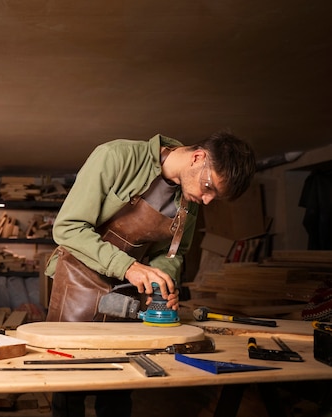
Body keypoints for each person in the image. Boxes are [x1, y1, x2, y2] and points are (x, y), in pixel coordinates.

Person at [44, 131, 257, 417]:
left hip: (130, 286)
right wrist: (128, 267)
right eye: (208, 187)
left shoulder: (190, 197)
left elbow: (174, 252)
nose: (206, 200)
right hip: (78, 279)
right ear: (197, 157)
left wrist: (161, 283)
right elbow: (68, 228)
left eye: (214, 196)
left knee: (121, 382)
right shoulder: (117, 157)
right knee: (70, 381)